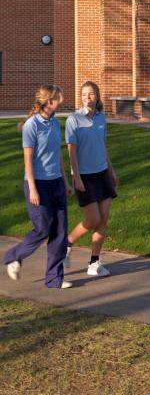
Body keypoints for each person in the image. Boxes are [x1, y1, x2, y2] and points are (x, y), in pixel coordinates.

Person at [3, 85, 73, 289]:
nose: (62, 101)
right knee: (42, 229)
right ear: (50, 101)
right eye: (59, 98)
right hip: (38, 184)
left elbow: (57, 153)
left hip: (57, 183)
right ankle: (13, 256)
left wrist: (65, 181)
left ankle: (54, 279)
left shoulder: (54, 123)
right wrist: (32, 189)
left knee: (60, 232)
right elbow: (28, 160)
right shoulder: (32, 125)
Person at [64, 81, 118, 277]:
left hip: (102, 173)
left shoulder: (102, 119)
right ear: (81, 97)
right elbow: (71, 151)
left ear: (97, 96)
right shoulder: (74, 119)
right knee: (92, 219)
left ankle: (94, 263)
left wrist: (111, 171)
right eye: (85, 94)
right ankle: (67, 244)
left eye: (91, 94)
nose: (88, 97)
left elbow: (102, 147)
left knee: (103, 219)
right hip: (83, 176)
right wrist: (76, 177)